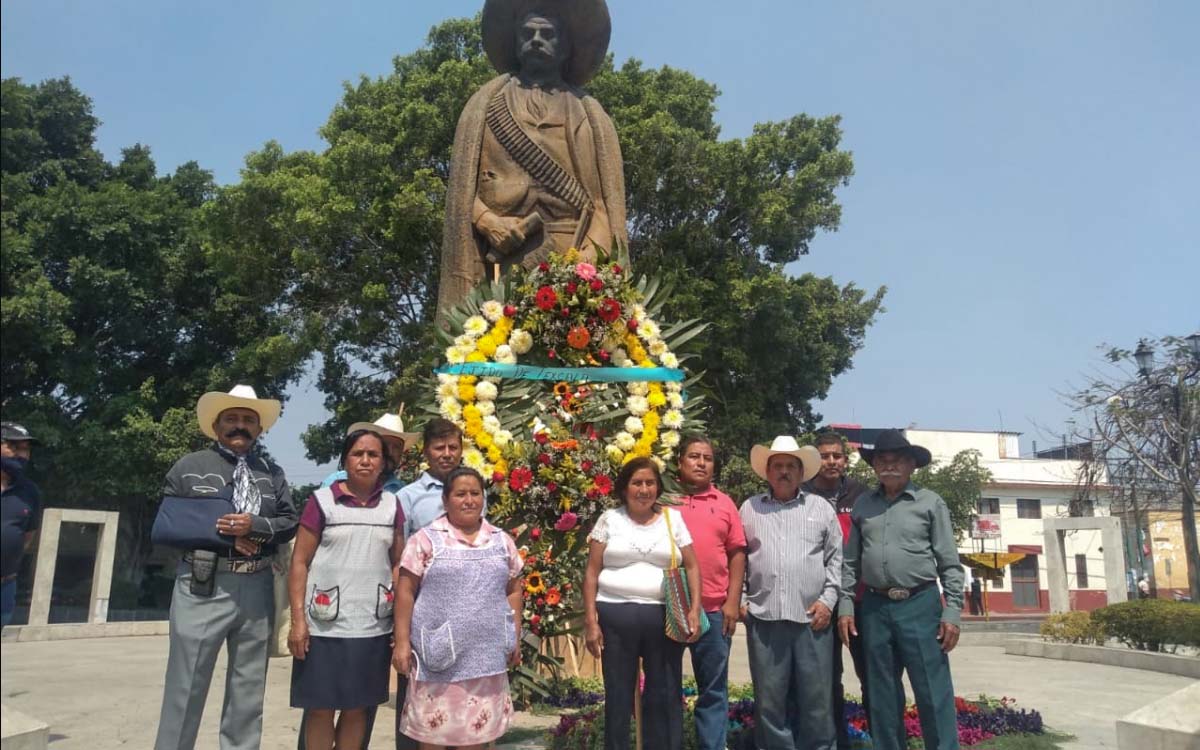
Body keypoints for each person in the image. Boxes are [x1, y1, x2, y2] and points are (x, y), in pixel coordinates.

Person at [438, 0, 627, 319]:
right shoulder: (484, 108)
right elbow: (460, 194)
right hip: (505, 259)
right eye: (527, 33)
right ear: (515, 40)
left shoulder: (588, 115)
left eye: (547, 33)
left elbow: (602, 203)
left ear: (566, 46)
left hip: (574, 258)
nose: (536, 40)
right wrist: (488, 221)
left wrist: (591, 257)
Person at [154, 385, 299, 750]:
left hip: (257, 587)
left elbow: (288, 523)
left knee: (248, 690)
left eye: (248, 420)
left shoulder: (272, 473)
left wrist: (255, 527)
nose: (240, 426)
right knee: (185, 685)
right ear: (216, 425)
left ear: (259, 428)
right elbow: (168, 524)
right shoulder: (190, 466)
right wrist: (225, 536)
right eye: (231, 419)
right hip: (203, 584)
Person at [839, 430, 964, 750]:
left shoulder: (930, 502)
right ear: (874, 465)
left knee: (933, 692)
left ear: (911, 465)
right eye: (882, 460)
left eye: (897, 460)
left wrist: (952, 612)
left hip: (920, 605)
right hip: (875, 609)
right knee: (881, 694)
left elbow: (949, 563)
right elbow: (850, 562)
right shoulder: (864, 505)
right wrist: (847, 605)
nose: (889, 466)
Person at [289, 429, 405, 750]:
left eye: (373, 455)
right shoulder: (321, 501)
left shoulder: (392, 505)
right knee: (320, 708)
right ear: (345, 460)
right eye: (358, 453)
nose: (365, 460)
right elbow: (299, 562)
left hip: (372, 627)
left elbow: (398, 564)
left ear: (383, 463)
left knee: (358, 708)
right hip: (324, 625)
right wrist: (298, 622)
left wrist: (398, 623)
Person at [393, 467, 523, 749]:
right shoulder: (425, 540)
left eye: (475, 493)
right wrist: (401, 642)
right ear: (445, 499)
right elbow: (405, 591)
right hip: (439, 659)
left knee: (476, 737)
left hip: (486, 659)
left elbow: (514, 589)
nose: (469, 500)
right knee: (433, 737)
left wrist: (514, 634)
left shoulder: (501, 540)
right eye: (460, 494)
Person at [583, 456, 702, 750]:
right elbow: (591, 572)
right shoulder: (609, 520)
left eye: (650, 483)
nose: (644, 489)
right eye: (637, 483)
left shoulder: (673, 520)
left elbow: (693, 566)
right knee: (619, 695)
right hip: (614, 618)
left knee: (664, 693)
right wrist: (590, 621)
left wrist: (694, 609)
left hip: (662, 618)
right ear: (625, 488)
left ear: (658, 487)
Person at [740, 436, 842, 750]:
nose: (784, 472)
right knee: (770, 702)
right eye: (778, 466)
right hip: (765, 619)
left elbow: (837, 558)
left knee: (817, 700)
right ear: (768, 472)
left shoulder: (820, 508)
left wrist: (828, 601)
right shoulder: (750, 508)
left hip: (812, 619)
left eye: (790, 466)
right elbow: (738, 557)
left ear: (800, 472)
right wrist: (742, 600)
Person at [390, 417, 464, 749]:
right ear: (426, 452)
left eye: (453, 447)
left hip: (464, 609)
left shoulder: (473, 492)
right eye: (439, 448)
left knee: (461, 699)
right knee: (417, 699)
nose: (447, 454)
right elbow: (397, 561)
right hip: (422, 611)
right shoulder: (408, 498)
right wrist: (400, 627)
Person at [674, 435, 746, 750]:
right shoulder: (663, 500)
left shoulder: (725, 503)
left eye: (707, 457)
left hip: (715, 612)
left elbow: (737, 554)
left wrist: (733, 601)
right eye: (694, 456)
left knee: (713, 691)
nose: (701, 462)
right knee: (664, 688)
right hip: (671, 610)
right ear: (680, 462)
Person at [803, 431, 869, 749]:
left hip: (861, 602)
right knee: (826, 682)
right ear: (815, 459)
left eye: (837, 455)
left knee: (873, 678)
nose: (831, 461)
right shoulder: (799, 495)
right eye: (824, 455)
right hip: (821, 605)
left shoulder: (863, 495)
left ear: (845, 459)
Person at [1, 422, 41, 627]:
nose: (22, 455)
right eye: (15, 447)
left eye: (26, 449)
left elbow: (26, 537)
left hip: (5, 586)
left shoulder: (30, 492)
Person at [320, 413, 418, 493]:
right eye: (386, 445)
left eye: (397, 447)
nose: (391, 452)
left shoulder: (403, 492)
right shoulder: (335, 482)